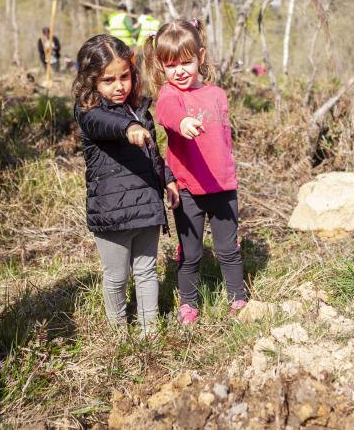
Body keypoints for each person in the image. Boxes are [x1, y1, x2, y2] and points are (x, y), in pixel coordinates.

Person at [72, 34, 179, 332]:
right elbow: (105, 124)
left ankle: (150, 330)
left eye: (125, 77)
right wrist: (128, 126)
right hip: (112, 213)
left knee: (146, 271)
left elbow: (153, 153)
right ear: (91, 81)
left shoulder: (138, 110)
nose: (119, 86)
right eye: (108, 80)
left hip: (145, 204)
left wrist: (167, 179)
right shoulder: (89, 114)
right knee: (117, 276)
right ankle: (117, 332)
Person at [145, 18, 247, 324]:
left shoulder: (217, 94)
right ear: (161, 66)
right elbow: (167, 114)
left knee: (228, 249)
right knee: (191, 253)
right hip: (188, 188)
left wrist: (228, 169)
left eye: (186, 62)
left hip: (222, 186)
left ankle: (237, 298)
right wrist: (184, 123)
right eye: (171, 64)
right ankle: (188, 303)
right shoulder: (169, 95)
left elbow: (224, 138)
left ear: (200, 57)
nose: (180, 71)